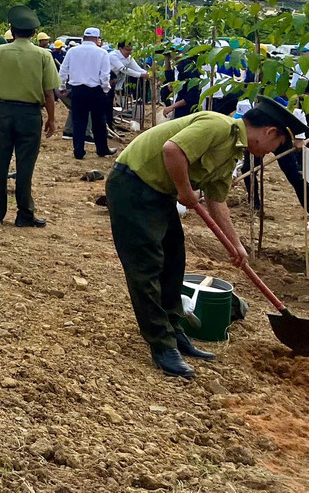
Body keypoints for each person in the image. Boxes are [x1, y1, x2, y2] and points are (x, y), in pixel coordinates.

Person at [107, 98, 304, 378]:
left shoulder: (233, 151)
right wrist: (185, 191)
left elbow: (216, 199)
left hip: (159, 192)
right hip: (132, 184)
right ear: (270, 132)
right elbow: (172, 150)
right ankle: (161, 345)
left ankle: (175, 332)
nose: (270, 153)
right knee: (146, 267)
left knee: (174, 262)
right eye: (276, 146)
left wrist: (236, 244)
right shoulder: (217, 125)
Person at [0, 8, 60, 227]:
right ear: (34, 33)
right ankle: (24, 214)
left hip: (3, 112)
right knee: (25, 166)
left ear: (12, 31)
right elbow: (49, 92)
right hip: (30, 114)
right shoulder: (44, 55)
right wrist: (51, 119)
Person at [60, 27, 113, 159]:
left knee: (78, 121)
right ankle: (102, 149)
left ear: (84, 37)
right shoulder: (102, 53)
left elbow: (63, 70)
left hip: (77, 90)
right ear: (97, 38)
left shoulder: (72, 51)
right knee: (99, 122)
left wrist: (62, 86)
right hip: (95, 90)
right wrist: (106, 90)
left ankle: (78, 151)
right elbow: (104, 76)